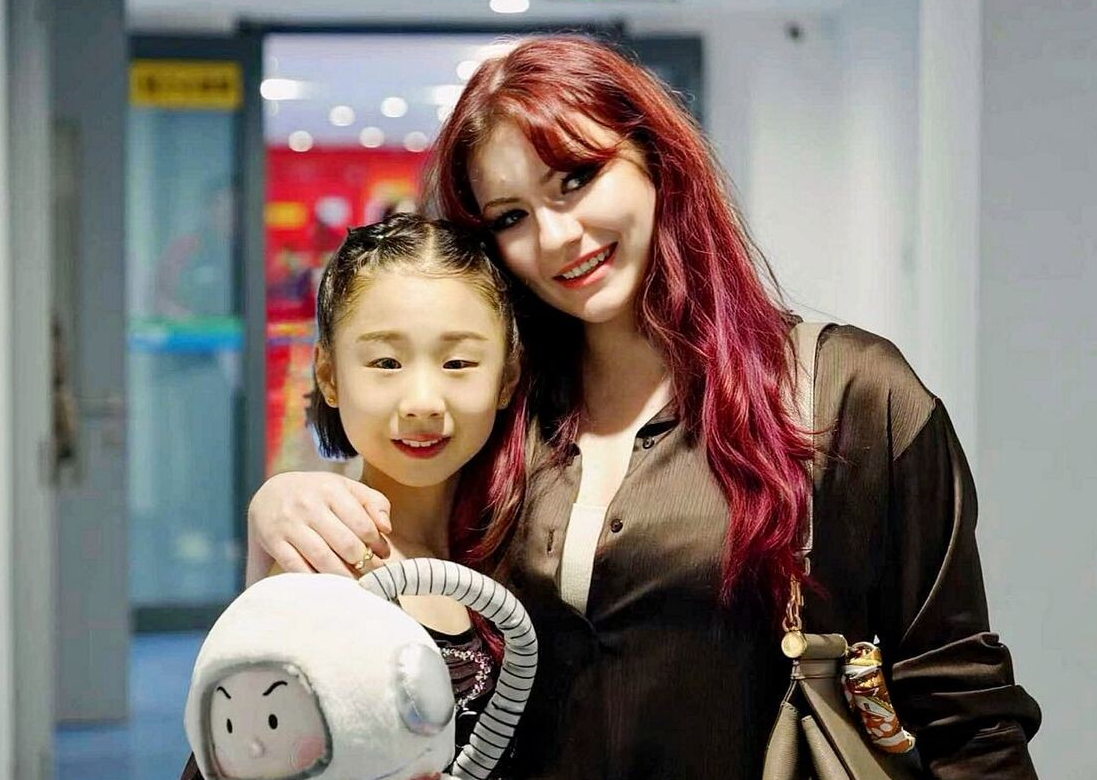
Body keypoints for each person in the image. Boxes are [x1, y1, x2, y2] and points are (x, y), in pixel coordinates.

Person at [246, 37, 1041, 779]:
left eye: (575, 178)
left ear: (655, 159)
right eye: (511, 217)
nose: (557, 237)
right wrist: (281, 506)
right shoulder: (504, 411)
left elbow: (960, 703)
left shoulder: (844, 391)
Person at [180, 213, 528, 780]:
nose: (422, 401)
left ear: (508, 376)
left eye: (458, 363)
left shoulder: (530, 538)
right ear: (329, 375)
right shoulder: (321, 563)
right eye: (386, 363)